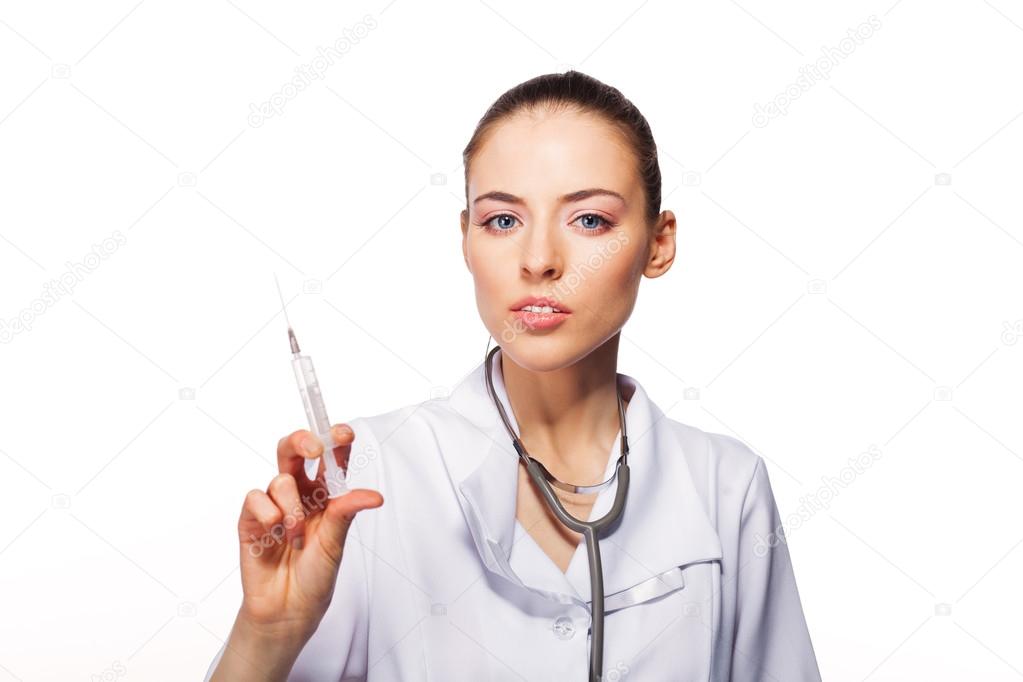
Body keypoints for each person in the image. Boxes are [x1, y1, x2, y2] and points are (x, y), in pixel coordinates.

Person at [204, 70, 822, 681]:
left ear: (658, 245)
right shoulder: (365, 474)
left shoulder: (726, 486)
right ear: (466, 240)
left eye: (590, 221)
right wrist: (267, 636)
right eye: (502, 220)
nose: (539, 261)